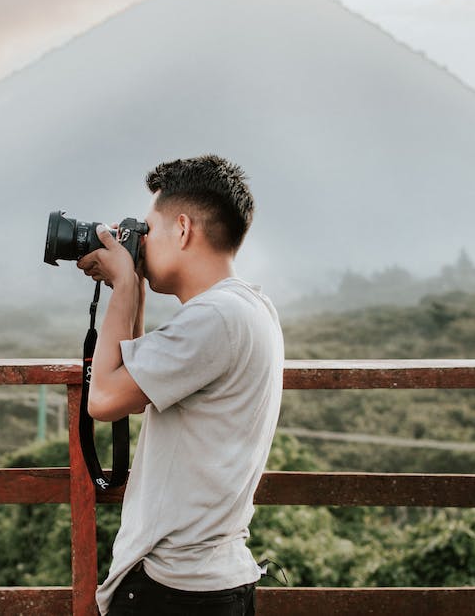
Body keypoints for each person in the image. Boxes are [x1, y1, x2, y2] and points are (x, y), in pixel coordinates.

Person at [76, 154, 284, 615]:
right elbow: (132, 387)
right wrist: (132, 290)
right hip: (210, 581)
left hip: (178, 589)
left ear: (184, 229)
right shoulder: (247, 307)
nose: (142, 244)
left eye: (148, 231)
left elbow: (106, 398)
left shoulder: (215, 318)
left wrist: (126, 287)